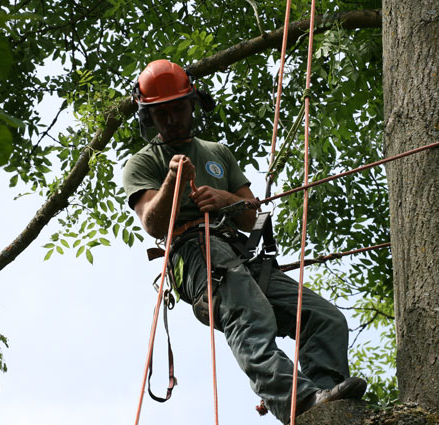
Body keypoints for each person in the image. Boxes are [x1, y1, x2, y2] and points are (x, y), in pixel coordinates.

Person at [122, 59, 366, 424]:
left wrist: (226, 201)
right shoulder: (142, 163)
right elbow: (154, 224)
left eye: (177, 109)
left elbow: (251, 214)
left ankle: (328, 400)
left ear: (192, 105)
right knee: (249, 316)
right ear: (148, 118)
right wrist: (173, 182)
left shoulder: (217, 152)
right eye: (161, 114)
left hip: (241, 253)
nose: (171, 119)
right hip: (195, 254)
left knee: (322, 317)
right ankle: (298, 403)